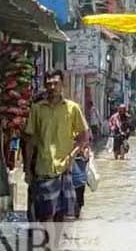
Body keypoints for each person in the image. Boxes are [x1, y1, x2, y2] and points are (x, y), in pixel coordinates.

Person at [23, 70, 90, 223]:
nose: (52, 87)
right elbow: (30, 141)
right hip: (43, 168)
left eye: (56, 83)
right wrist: (27, 169)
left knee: (61, 216)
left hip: (64, 169)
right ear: (45, 86)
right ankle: (47, 245)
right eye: (49, 84)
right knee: (44, 215)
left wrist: (72, 156)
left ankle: (54, 246)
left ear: (62, 85)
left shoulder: (72, 108)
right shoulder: (37, 109)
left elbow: (84, 135)